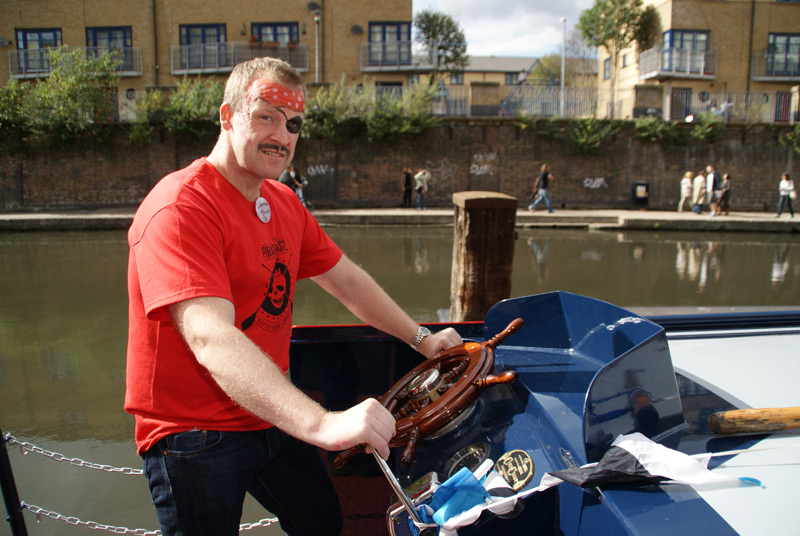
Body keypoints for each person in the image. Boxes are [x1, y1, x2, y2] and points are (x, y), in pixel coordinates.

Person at [125, 57, 463, 536]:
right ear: (228, 116)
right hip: (193, 433)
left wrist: (421, 338)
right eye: (266, 116)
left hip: (269, 409)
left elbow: (346, 280)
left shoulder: (282, 201)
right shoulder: (180, 207)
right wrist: (323, 425)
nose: (281, 136)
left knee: (321, 522)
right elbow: (209, 336)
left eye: (293, 124)